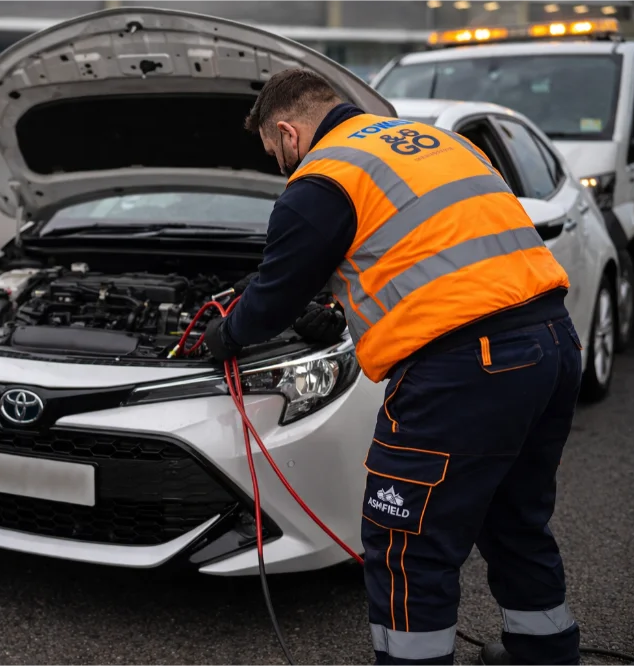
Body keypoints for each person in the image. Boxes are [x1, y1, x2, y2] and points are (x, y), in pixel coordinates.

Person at [204, 69, 581, 666]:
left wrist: (225, 335)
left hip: (464, 369)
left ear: (287, 131)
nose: (280, 164)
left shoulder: (323, 177)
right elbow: (427, 247)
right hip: (552, 344)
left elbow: (270, 299)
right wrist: (336, 308)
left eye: (274, 151)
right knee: (516, 516)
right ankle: (546, 654)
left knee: (407, 542)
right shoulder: (438, 143)